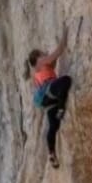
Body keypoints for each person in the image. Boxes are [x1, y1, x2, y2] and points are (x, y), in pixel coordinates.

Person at [29, 24, 72, 168]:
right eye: (42, 53)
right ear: (37, 57)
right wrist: (65, 33)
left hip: (46, 102)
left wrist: (53, 57)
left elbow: (52, 63)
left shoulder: (37, 73)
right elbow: (58, 52)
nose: (44, 53)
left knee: (54, 126)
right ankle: (61, 109)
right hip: (50, 92)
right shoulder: (40, 62)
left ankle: (52, 153)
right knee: (66, 81)